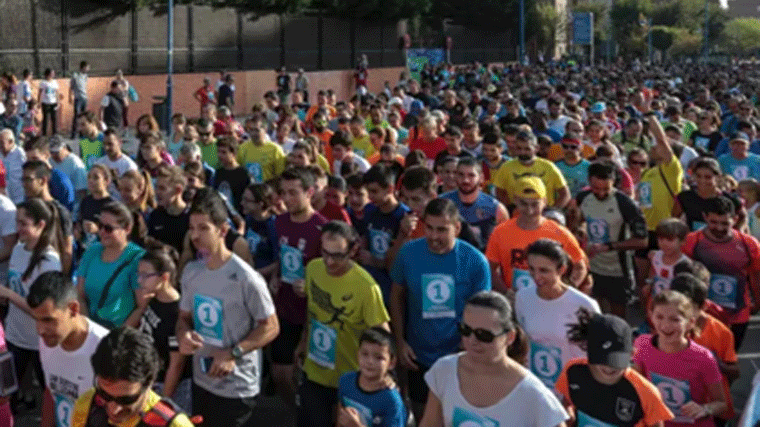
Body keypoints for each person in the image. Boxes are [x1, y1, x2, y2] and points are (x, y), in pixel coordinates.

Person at [176, 190, 279, 427]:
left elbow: (271, 327)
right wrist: (184, 334)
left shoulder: (246, 278)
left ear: (222, 230)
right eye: (192, 228)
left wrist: (233, 353)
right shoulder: (192, 272)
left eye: (203, 228)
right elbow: (184, 318)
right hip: (202, 381)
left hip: (237, 387)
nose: (195, 236)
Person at [390, 198, 491, 420]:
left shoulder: (475, 262)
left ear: (457, 227)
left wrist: (467, 349)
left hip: (459, 357)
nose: (434, 237)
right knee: (422, 413)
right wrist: (400, 341)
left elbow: (482, 315)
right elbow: (397, 295)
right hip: (418, 355)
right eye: (430, 228)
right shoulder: (409, 253)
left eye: (442, 230)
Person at [419, 291, 569, 427]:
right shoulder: (444, 370)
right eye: (466, 330)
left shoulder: (532, 393)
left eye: (484, 335)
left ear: (510, 337)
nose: (472, 340)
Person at [294, 221, 390, 427]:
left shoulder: (366, 287)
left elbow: (383, 335)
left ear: (353, 250)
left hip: (349, 378)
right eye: (325, 253)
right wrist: (303, 343)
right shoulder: (313, 268)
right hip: (315, 370)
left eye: (337, 256)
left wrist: (385, 374)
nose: (329, 261)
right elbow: (312, 313)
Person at [268, 167, 328, 407]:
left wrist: (310, 287)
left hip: (312, 315)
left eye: (294, 193)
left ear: (310, 192)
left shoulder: (322, 228)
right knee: (280, 373)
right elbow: (282, 259)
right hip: (284, 308)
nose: (287, 199)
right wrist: (275, 274)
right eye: (283, 193)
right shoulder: (280, 222)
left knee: (308, 377)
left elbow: (331, 274)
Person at [0, 198, 64, 415]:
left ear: (41, 225)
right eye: (17, 223)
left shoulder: (49, 260)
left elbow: (44, 311)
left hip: (39, 342)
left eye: (24, 223)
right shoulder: (18, 250)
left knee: (50, 396)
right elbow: (15, 283)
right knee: (9, 392)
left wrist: (9, 294)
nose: (18, 229)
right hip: (14, 334)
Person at [557, 308, 674, 426]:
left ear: (632, 354)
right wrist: (567, 416)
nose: (609, 368)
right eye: (602, 360)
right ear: (588, 351)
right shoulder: (573, 370)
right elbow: (567, 403)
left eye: (616, 361)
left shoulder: (646, 392)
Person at [25, 271, 109, 427]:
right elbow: (51, 392)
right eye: (36, 319)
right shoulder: (47, 339)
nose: (40, 330)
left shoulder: (106, 349)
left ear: (73, 309)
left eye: (48, 320)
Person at [515, 239, 600, 390]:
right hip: (536, 386)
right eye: (532, 269)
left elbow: (596, 353)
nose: (536, 276)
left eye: (544, 270)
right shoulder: (522, 297)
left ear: (561, 269)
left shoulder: (584, 305)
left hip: (573, 388)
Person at [633, 290, 727, 426]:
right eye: (659, 317)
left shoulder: (703, 357)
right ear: (651, 316)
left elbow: (722, 404)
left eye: (675, 319)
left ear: (690, 323)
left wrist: (705, 409)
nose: (665, 325)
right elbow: (637, 382)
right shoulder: (642, 344)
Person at [71, 326, 194, 427]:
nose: (114, 409)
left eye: (126, 400)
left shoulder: (175, 425)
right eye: (105, 395)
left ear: (150, 382)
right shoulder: (87, 404)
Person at [681, 196, 760, 350]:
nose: (719, 227)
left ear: (735, 219)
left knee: (729, 358)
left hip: (737, 314)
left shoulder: (749, 244)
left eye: (725, 223)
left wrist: (757, 302)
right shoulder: (692, 241)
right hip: (702, 313)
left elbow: (756, 275)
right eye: (713, 222)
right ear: (705, 217)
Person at [485, 176, 588, 293]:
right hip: (515, 300)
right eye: (524, 204)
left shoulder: (559, 232)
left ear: (544, 202)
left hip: (549, 302)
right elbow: (490, 268)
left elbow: (580, 266)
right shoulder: (500, 232)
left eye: (535, 204)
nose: (529, 210)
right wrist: (506, 292)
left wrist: (565, 292)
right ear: (515, 200)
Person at [574, 161, 648, 317]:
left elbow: (642, 241)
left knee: (617, 316)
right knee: (596, 312)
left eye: (606, 189)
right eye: (596, 188)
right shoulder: (583, 198)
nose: (601, 193)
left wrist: (610, 246)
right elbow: (576, 222)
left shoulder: (625, 203)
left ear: (614, 182)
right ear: (589, 182)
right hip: (592, 267)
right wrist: (580, 232)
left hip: (617, 270)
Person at [126, 248, 192, 412]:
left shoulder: (176, 314)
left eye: (146, 275)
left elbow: (176, 365)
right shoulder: (153, 298)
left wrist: (163, 404)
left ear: (165, 277)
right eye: (139, 274)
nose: (140, 280)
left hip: (167, 386)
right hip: (149, 379)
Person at [77, 201, 145, 329]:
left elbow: (142, 306)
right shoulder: (92, 251)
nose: (102, 232)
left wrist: (118, 337)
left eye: (109, 228)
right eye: (100, 225)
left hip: (120, 334)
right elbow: (80, 295)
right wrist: (89, 329)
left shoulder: (138, 258)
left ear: (127, 229)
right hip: (90, 330)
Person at [337, 327, 406, 427]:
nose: (370, 361)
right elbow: (340, 418)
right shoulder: (346, 381)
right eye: (365, 354)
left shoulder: (392, 401)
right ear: (358, 355)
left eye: (379, 357)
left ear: (391, 363)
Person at [440, 157, 508, 250]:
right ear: (456, 176)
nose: (465, 180)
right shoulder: (442, 203)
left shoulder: (496, 208)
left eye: (471, 175)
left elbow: (505, 244)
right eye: (461, 175)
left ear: (481, 178)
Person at [21, 160, 74, 276]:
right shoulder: (25, 209)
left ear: (43, 180)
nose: (24, 184)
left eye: (28, 179)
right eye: (23, 179)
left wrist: (59, 281)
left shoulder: (59, 211)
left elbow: (66, 250)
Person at [494, 130, 570, 209]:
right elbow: (499, 192)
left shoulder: (549, 166)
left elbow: (565, 194)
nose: (522, 152)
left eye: (527, 149)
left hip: (544, 213)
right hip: (518, 212)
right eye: (519, 148)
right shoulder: (506, 167)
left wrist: (553, 210)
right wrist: (510, 209)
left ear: (536, 148)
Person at [673, 157, 745, 232]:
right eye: (698, 176)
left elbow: (742, 222)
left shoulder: (732, 200)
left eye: (708, 177)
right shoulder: (685, 197)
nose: (702, 180)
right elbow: (674, 221)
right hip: (694, 241)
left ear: (718, 177)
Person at [147, 166, 189, 253]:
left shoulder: (190, 218)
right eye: (156, 187)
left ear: (178, 190)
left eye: (162, 188)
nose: (157, 192)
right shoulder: (156, 215)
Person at [236, 115, 286, 183]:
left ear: (265, 130)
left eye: (256, 130)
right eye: (251, 130)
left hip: (267, 191)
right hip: (249, 190)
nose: (253, 133)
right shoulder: (243, 148)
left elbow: (280, 176)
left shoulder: (275, 149)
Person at [214, 137, 251, 213]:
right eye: (219, 152)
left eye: (224, 152)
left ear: (233, 154)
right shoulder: (218, 172)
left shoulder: (243, 173)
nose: (220, 155)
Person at [49, 136, 88, 205]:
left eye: (57, 152)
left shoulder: (75, 163)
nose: (54, 155)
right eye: (52, 152)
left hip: (72, 207)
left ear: (64, 148)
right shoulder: (50, 160)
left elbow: (82, 191)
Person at [0, 129, 26, 204]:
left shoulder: (19, 153)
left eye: (2, 142)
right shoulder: (0, 154)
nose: (0, 145)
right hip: (4, 199)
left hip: (19, 198)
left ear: (11, 142)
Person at [69, 61, 89, 138]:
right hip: (78, 98)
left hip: (84, 98)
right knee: (76, 116)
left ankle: (82, 133)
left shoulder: (86, 76)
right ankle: (73, 134)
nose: (88, 69)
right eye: (87, 67)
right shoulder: (75, 75)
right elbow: (71, 87)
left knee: (83, 117)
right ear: (83, 67)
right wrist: (70, 96)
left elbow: (85, 87)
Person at [39, 68, 60, 136]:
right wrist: (39, 102)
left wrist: (58, 102)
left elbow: (57, 92)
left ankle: (55, 134)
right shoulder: (43, 82)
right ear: (48, 74)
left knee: (54, 119)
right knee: (46, 119)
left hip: (53, 103)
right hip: (45, 103)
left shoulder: (54, 82)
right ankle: (44, 135)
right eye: (52, 73)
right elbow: (40, 92)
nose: (53, 74)